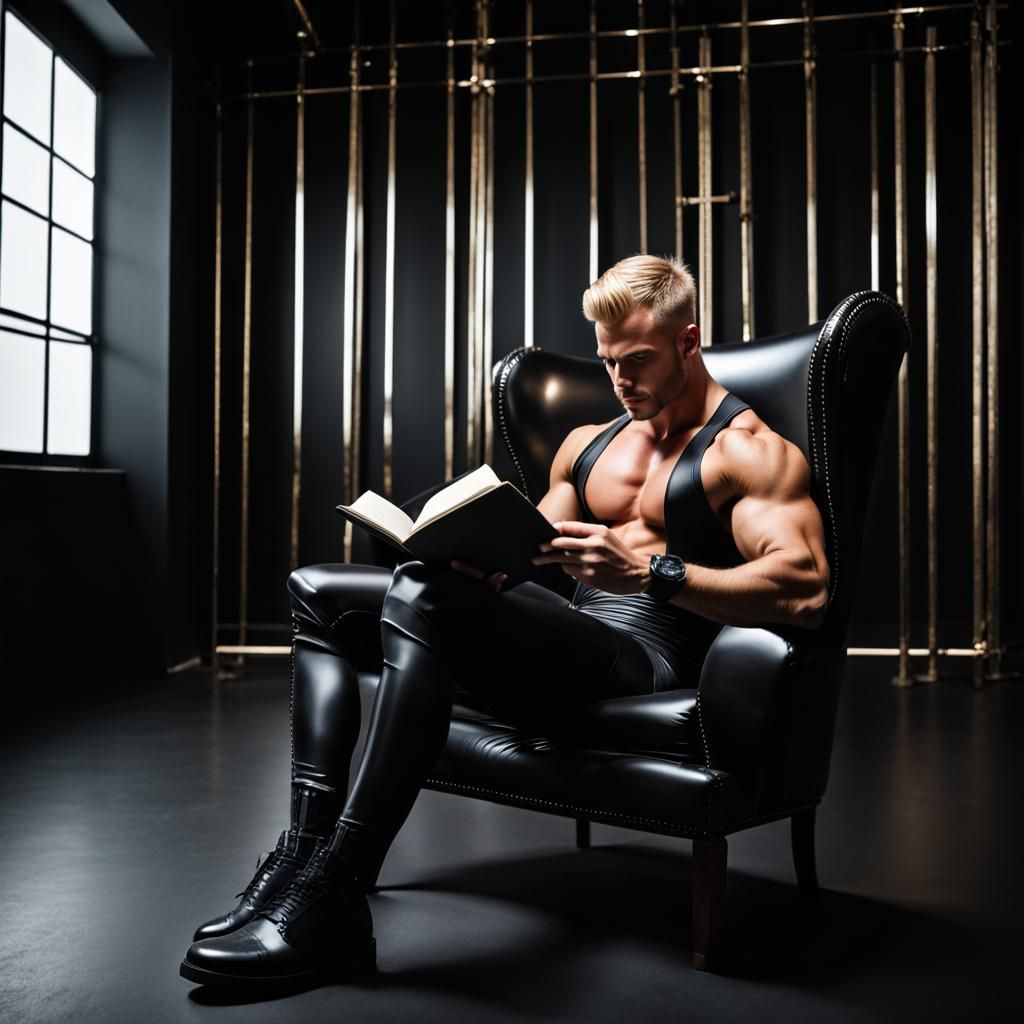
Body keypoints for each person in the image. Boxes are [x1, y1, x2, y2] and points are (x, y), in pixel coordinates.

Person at [179, 254, 829, 992]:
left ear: (689, 341)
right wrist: (475, 557)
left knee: (420, 601)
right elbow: (528, 547)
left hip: (647, 661)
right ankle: (301, 857)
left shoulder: (747, 451)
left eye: (640, 360)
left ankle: (336, 889)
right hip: (571, 638)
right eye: (609, 361)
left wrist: (653, 573)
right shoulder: (590, 443)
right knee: (320, 590)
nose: (622, 379)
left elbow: (803, 589)